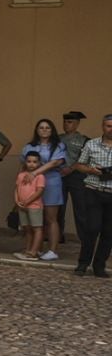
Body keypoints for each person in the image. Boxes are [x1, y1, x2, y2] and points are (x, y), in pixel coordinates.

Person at [69, 113, 112, 277]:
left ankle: (99, 266)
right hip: (94, 190)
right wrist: (92, 170)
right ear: (103, 126)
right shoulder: (91, 144)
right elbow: (79, 165)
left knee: (108, 233)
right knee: (92, 228)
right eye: (108, 126)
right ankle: (82, 263)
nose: (111, 129)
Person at [21, 118, 68, 261]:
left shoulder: (58, 146)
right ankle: (36, 249)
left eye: (48, 127)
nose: (44, 130)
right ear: (36, 130)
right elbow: (24, 166)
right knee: (35, 218)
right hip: (31, 185)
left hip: (51, 183)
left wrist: (35, 172)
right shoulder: (29, 147)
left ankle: (52, 250)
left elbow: (55, 163)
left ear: (52, 130)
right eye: (41, 127)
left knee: (51, 218)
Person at [58, 111, 88, 244]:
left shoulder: (84, 140)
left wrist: (71, 168)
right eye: (65, 122)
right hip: (59, 175)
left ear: (77, 124)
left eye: (70, 122)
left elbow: (85, 159)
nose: (66, 124)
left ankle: (85, 238)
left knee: (80, 208)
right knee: (58, 207)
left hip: (77, 176)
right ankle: (57, 235)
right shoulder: (57, 138)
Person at [13, 152, 49, 257]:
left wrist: (28, 201)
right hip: (22, 206)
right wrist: (16, 201)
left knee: (37, 228)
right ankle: (27, 249)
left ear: (39, 163)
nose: (31, 164)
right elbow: (16, 189)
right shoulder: (21, 175)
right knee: (27, 228)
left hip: (34, 206)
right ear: (25, 162)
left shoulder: (40, 176)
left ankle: (34, 251)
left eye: (34, 162)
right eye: (29, 161)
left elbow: (39, 191)